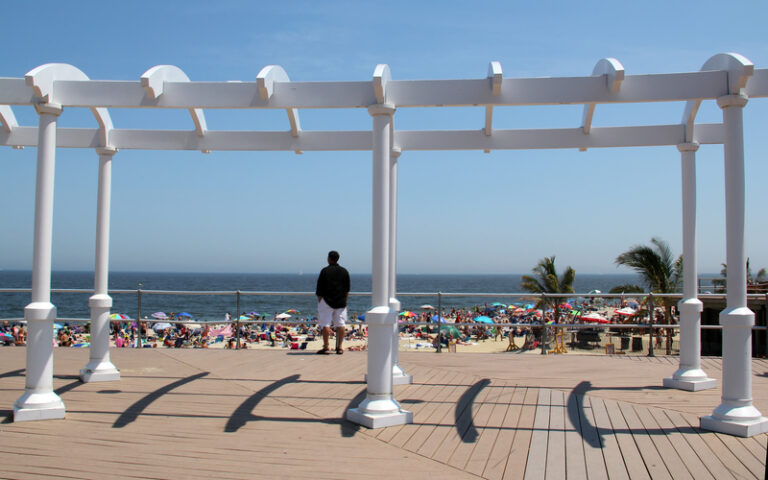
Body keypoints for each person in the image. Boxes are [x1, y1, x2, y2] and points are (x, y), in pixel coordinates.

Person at [315, 250, 350, 355]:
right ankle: (339, 347)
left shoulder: (324, 271)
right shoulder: (344, 271)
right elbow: (347, 289)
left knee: (325, 324)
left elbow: (319, 288)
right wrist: (345, 300)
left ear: (329, 258)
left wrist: (320, 300)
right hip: (341, 301)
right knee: (341, 324)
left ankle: (326, 347)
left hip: (326, 301)